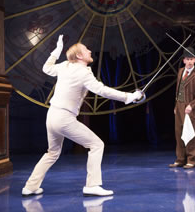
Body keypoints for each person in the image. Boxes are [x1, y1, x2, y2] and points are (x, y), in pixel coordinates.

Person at [22, 35, 144, 197]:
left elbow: (47, 68)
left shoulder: (65, 65)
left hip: (52, 116)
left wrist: (56, 52)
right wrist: (128, 97)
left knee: (52, 153)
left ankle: (30, 187)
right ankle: (92, 185)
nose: (90, 51)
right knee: (96, 145)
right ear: (79, 55)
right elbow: (102, 90)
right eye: (86, 50)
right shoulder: (82, 72)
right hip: (64, 118)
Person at [169, 47, 195, 169]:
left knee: (190, 134)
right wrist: (176, 106)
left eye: (192, 59)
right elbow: (178, 90)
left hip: (190, 108)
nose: (189, 62)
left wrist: (191, 105)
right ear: (184, 60)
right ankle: (180, 159)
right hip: (179, 106)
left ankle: (191, 159)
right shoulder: (180, 71)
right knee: (179, 133)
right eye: (187, 59)